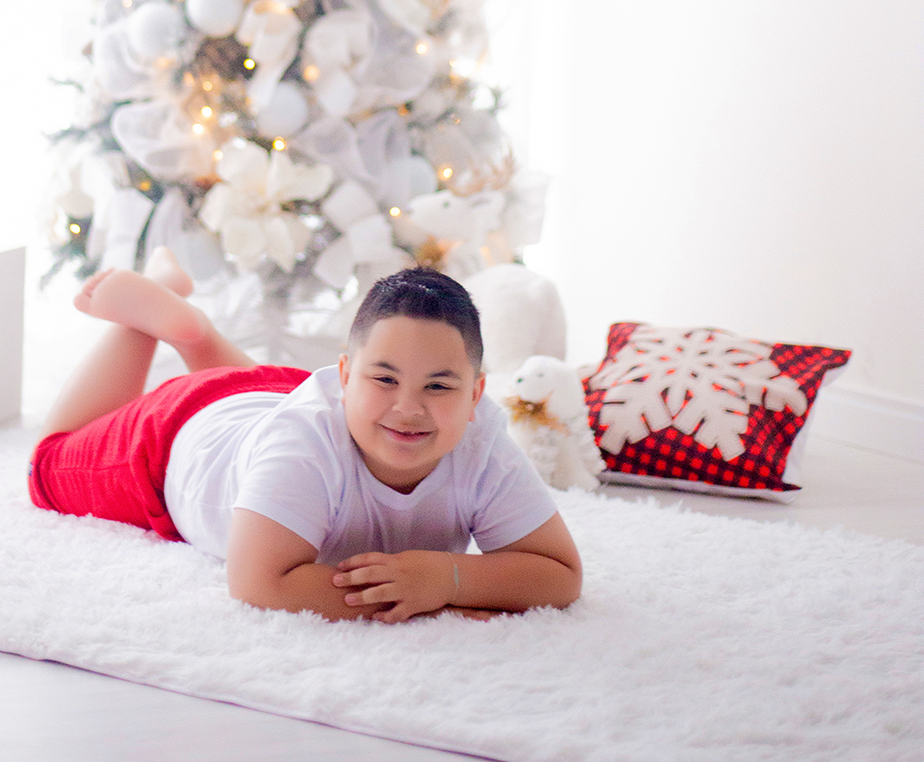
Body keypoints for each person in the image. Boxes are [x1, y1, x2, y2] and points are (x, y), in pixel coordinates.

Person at [29, 249, 581, 622]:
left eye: (439, 386)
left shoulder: (481, 444)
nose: (408, 408)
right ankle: (154, 322)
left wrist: (448, 578)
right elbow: (258, 583)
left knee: (297, 412)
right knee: (46, 465)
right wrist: (419, 598)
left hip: (273, 394)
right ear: (343, 376)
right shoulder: (302, 446)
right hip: (179, 435)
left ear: (476, 395)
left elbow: (561, 574)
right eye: (384, 378)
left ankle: (196, 333)